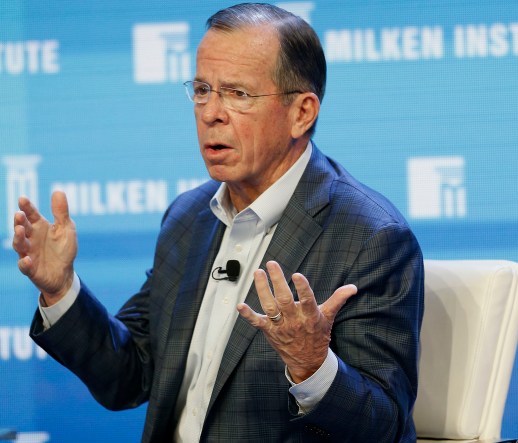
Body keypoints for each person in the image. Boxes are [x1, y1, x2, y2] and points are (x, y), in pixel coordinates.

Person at [12, 3, 424, 442]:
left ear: (301, 113)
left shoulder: (370, 238)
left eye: (238, 94)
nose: (210, 112)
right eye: (203, 89)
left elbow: (388, 429)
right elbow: (129, 377)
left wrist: (313, 367)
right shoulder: (188, 218)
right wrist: (60, 290)